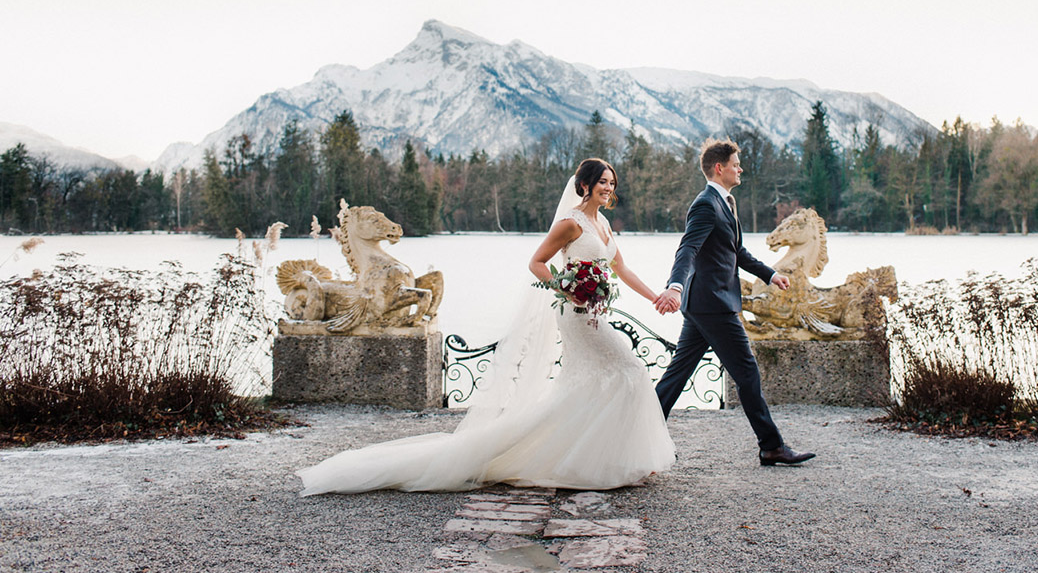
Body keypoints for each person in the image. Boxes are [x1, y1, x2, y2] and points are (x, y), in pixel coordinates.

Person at [297, 158, 674, 494]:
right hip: (576, 315)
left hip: (594, 313)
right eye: (603, 182)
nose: (609, 188)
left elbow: (620, 269)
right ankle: (600, 461)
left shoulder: (602, 223)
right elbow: (537, 263)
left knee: (600, 381)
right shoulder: (570, 224)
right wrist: (567, 287)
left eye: (612, 182)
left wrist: (655, 296)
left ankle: (603, 459)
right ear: (585, 185)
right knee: (628, 369)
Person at [653, 138, 815, 467]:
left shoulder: (725, 202)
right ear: (719, 168)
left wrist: (770, 275)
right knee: (747, 373)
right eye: (736, 164)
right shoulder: (705, 204)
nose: (740, 168)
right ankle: (771, 446)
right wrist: (674, 285)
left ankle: (639, 434)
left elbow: (735, 251)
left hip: (704, 305)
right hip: (713, 305)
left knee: (676, 375)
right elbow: (687, 250)